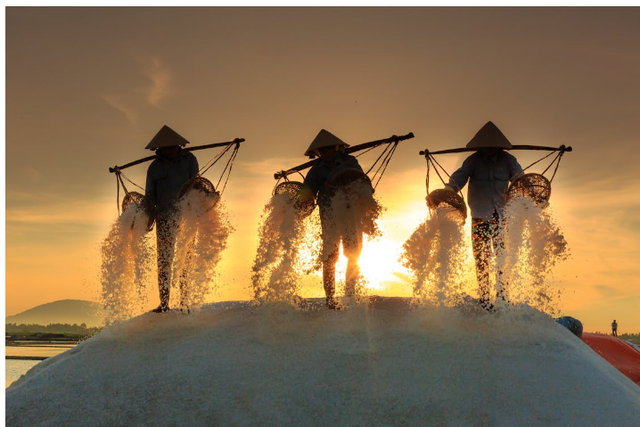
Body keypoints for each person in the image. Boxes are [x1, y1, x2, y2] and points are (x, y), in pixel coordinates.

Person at [443, 121, 523, 311]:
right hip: (479, 216)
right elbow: (459, 177)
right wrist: (449, 190)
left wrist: (524, 185)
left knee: (503, 257)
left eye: (491, 147)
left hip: (502, 217)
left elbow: (519, 177)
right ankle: (485, 299)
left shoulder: (508, 160)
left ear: (497, 146)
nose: (487, 150)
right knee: (481, 258)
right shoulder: (473, 161)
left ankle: (503, 297)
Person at [299, 129, 371, 309]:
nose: (326, 152)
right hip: (329, 216)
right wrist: (300, 201)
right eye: (322, 150)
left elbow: (362, 182)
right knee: (330, 256)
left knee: (353, 253)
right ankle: (330, 299)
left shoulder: (350, 161)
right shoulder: (315, 170)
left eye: (329, 148)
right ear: (318, 152)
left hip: (350, 212)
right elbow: (306, 192)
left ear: (337, 148)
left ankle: (350, 294)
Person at [145, 125, 199, 313]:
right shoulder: (154, 168)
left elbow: (196, 184)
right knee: (164, 260)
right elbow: (150, 196)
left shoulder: (189, 160)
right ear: (159, 150)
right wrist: (145, 217)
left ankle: (184, 302)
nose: (171, 150)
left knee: (186, 259)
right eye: (167, 148)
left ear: (179, 146)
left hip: (186, 216)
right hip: (165, 218)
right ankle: (164, 303)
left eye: (174, 147)